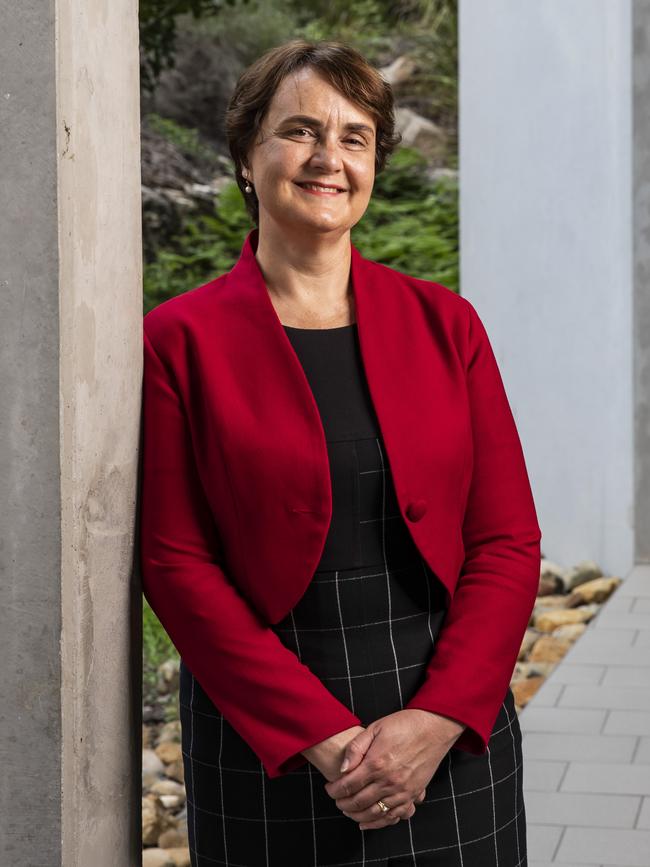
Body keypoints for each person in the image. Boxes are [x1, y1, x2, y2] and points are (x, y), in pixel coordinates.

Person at [140, 38, 542, 867]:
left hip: (447, 728)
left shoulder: (449, 326)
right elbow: (175, 562)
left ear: (374, 165)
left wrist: (435, 722)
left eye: (355, 136)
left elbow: (507, 542)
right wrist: (321, 736)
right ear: (248, 157)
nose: (329, 158)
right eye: (300, 130)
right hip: (269, 738)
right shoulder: (178, 341)